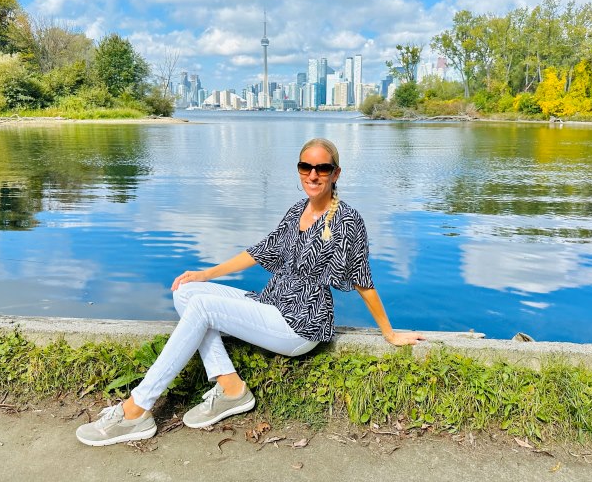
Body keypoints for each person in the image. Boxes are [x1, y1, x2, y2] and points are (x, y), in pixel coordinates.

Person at [76, 137, 426, 446]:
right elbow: (259, 252)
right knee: (186, 291)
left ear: (336, 173)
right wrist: (204, 273)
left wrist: (389, 333)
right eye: (306, 166)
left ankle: (137, 409)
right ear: (299, 169)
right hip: (270, 304)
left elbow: (363, 280)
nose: (313, 175)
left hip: (299, 325)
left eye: (322, 168)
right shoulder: (296, 210)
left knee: (202, 310)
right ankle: (231, 389)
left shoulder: (348, 221)